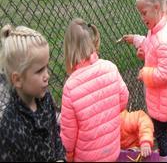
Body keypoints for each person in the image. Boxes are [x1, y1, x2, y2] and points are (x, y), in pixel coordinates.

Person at [122, 0, 167, 162]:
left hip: (163, 101)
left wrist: (145, 73)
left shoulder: (162, 38)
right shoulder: (157, 29)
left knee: (161, 137)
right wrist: (142, 48)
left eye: (144, 12)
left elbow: (165, 72)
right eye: (140, 13)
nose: (142, 17)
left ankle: (165, 158)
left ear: (156, 7)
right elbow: (151, 46)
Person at [60, 18, 129, 162]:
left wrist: (69, 156)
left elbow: (68, 134)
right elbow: (123, 98)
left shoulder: (71, 87)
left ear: (69, 49)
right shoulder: (110, 67)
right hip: (112, 149)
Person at [0, 25, 65, 162]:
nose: (47, 75)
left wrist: (59, 157)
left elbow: (54, 133)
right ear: (17, 79)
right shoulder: (10, 126)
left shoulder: (46, 99)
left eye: (47, 67)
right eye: (39, 70)